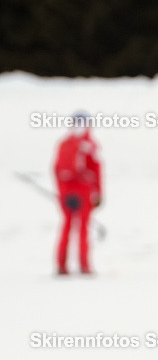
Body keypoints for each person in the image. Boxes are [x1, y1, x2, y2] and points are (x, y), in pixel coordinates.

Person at [52, 112, 102, 275]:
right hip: (84, 191)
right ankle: (84, 265)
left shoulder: (64, 143)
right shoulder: (89, 144)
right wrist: (98, 193)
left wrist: (62, 193)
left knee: (66, 226)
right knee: (82, 229)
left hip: (66, 192)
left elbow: (56, 169)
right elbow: (96, 169)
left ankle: (61, 265)